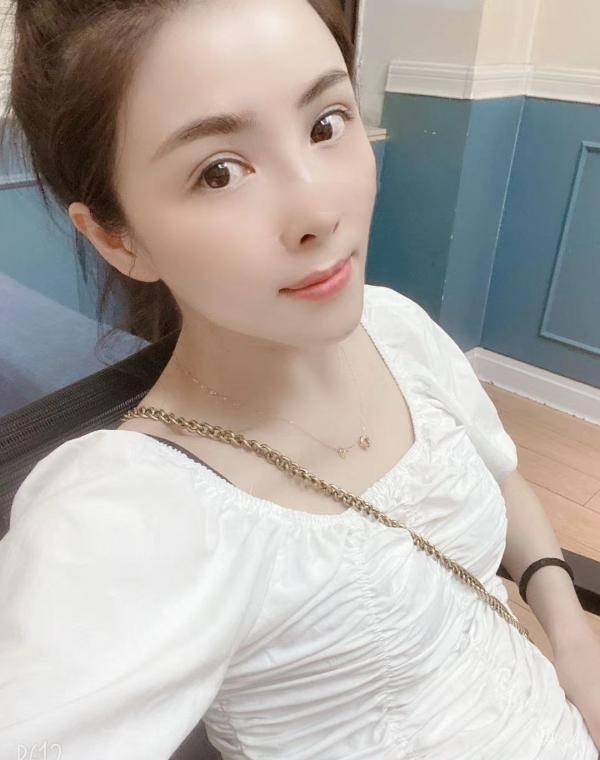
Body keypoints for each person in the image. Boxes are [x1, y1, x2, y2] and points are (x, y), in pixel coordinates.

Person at [0, 1, 598, 758]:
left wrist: (571, 637)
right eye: (219, 172)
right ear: (118, 240)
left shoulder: (395, 326)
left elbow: (500, 476)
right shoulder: (128, 513)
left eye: (325, 124)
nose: (319, 209)